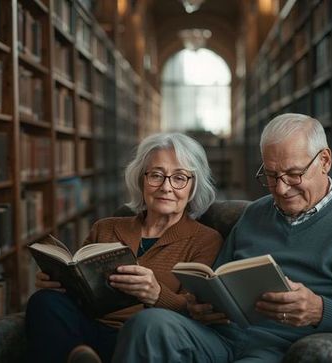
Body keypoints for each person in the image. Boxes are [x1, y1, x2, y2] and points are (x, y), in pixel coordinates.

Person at [111, 113, 332, 362]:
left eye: (293, 175)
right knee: (148, 325)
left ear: (325, 161)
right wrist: (200, 305)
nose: (280, 189)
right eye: (270, 175)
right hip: (220, 336)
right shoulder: (254, 214)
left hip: (279, 348)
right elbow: (218, 281)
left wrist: (319, 309)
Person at [25, 132, 223, 363]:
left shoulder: (206, 240)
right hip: (90, 330)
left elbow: (200, 312)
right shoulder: (105, 228)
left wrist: (157, 295)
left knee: (141, 330)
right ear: (141, 180)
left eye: (179, 178)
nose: (166, 187)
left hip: (143, 339)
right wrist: (58, 282)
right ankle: (78, 356)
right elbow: (81, 291)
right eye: (156, 175)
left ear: (193, 186)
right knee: (44, 301)